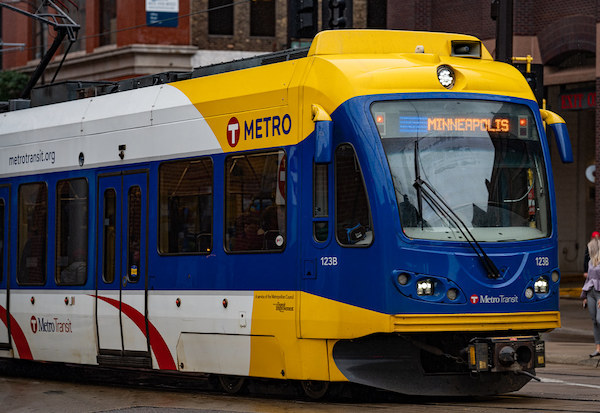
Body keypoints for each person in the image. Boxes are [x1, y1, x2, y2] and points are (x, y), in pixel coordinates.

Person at [581, 237, 600, 357]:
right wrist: (584, 296)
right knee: (594, 321)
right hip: (590, 293)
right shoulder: (590, 262)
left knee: (599, 320)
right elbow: (588, 279)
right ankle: (598, 348)